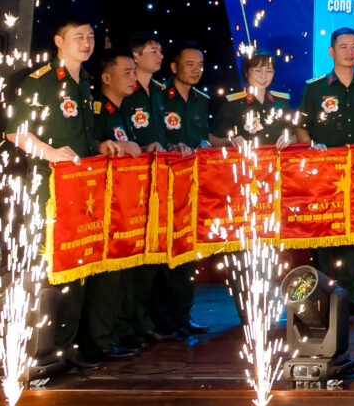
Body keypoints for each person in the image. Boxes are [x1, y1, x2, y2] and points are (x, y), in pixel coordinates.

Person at [1, 16, 110, 370]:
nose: (86, 43)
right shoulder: (43, 81)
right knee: (51, 266)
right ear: (59, 41)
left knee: (79, 264)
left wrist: (103, 145)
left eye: (90, 36)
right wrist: (50, 153)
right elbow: (16, 133)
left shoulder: (86, 82)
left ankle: (68, 349)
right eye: (78, 37)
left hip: (82, 189)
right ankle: (41, 352)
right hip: (49, 190)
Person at [301, 28, 354, 312]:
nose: (350, 52)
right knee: (323, 233)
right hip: (323, 173)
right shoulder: (315, 88)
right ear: (331, 52)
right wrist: (311, 147)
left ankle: (350, 297)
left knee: (352, 234)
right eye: (343, 46)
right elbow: (301, 128)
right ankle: (320, 298)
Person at [82, 50, 152, 361]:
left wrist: (143, 147)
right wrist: (116, 146)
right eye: (126, 72)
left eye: (134, 72)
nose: (133, 77)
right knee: (108, 277)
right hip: (103, 205)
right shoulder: (98, 110)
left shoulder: (124, 110)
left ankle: (120, 332)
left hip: (126, 205)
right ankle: (99, 342)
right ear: (106, 78)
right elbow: (94, 147)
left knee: (126, 274)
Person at [145, 41, 213, 339]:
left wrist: (209, 144)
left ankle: (183, 316)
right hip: (163, 185)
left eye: (200, 65)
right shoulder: (158, 95)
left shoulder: (201, 99)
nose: (196, 70)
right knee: (164, 254)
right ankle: (161, 320)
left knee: (189, 253)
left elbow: (201, 136)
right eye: (189, 64)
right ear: (174, 67)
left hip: (193, 185)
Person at [220, 49, 299, 145]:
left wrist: (288, 139)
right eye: (258, 70)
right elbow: (212, 138)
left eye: (269, 71)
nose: (263, 76)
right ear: (246, 72)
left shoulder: (281, 101)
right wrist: (231, 141)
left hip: (276, 154)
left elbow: (294, 136)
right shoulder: (233, 103)